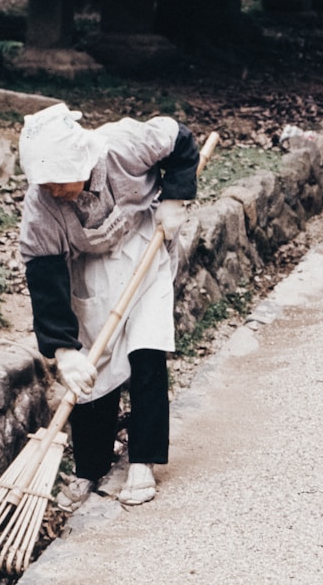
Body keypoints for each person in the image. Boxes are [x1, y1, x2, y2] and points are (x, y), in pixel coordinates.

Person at [17, 103, 200, 505]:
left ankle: (143, 460)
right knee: (91, 368)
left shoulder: (123, 145)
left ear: (80, 159)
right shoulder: (42, 203)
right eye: (44, 184)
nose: (53, 192)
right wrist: (63, 349)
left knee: (146, 351)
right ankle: (90, 468)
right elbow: (44, 274)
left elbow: (181, 140)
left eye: (59, 182)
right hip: (91, 267)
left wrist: (176, 198)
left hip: (145, 252)